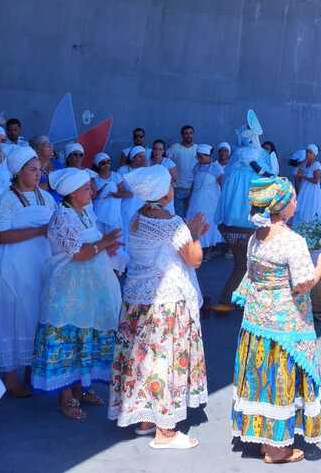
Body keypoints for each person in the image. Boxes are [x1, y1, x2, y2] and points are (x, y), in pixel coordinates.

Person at [231, 176, 321, 464]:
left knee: (260, 378)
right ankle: (276, 448)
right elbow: (302, 283)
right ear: (283, 206)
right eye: (294, 199)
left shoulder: (255, 238)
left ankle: (262, 437)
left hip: (256, 320)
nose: (297, 203)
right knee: (280, 379)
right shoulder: (292, 241)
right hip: (285, 326)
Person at [109, 166, 208, 448]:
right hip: (165, 302)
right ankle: (166, 430)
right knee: (164, 359)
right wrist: (196, 233)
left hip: (136, 300)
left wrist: (187, 231)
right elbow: (194, 259)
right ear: (165, 193)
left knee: (141, 360)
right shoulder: (171, 223)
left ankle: (145, 419)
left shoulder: (136, 218)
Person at [32, 168, 123, 420]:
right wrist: (104, 242)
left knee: (86, 334)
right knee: (69, 336)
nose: (91, 191)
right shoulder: (63, 216)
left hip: (89, 291)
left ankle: (81, 389)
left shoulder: (85, 211)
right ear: (72, 194)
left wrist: (107, 244)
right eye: (85, 188)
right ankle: (66, 397)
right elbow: (80, 253)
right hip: (67, 291)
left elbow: (91, 244)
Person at [0, 145, 54, 397]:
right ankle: (10, 375)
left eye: (40, 170)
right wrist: (39, 231)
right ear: (18, 172)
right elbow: (1, 235)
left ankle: (30, 369)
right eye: (33, 170)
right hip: (10, 269)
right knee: (11, 319)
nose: (38, 174)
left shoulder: (46, 197)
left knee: (33, 316)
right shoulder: (6, 200)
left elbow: (55, 225)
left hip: (38, 266)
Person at [214, 113, 273, 310]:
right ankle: (231, 299)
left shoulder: (240, 156)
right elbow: (263, 173)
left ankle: (237, 299)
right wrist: (273, 176)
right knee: (245, 263)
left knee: (245, 263)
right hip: (246, 218)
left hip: (236, 217)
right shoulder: (249, 155)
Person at [185, 145, 223, 251]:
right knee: (194, 220)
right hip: (196, 200)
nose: (199, 159)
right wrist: (189, 197)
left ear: (208, 156)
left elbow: (222, 184)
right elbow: (194, 183)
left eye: (201, 157)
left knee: (207, 222)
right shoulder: (197, 167)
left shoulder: (216, 167)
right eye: (198, 157)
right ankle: (195, 247)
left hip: (210, 202)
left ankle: (208, 250)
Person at [168, 125, 199, 216]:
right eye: (186, 133)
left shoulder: (198, 149)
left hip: (193, 189)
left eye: (190, 133)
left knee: (191, 216)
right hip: (177, 188)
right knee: (178, 216)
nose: (188, 135)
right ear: (182, 135)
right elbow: (165, 163)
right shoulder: (174, 148)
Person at [292, 144, 321, 225]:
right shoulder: (304, 164)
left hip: (312, 191)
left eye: (310, 152)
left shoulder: (317, 164)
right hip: (304, 189)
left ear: (314, 154)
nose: (307, 154)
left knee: (310, 208)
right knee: (302, 207)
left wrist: (303, 176)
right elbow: (299, 178)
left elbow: (316, 180)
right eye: (307, 152)